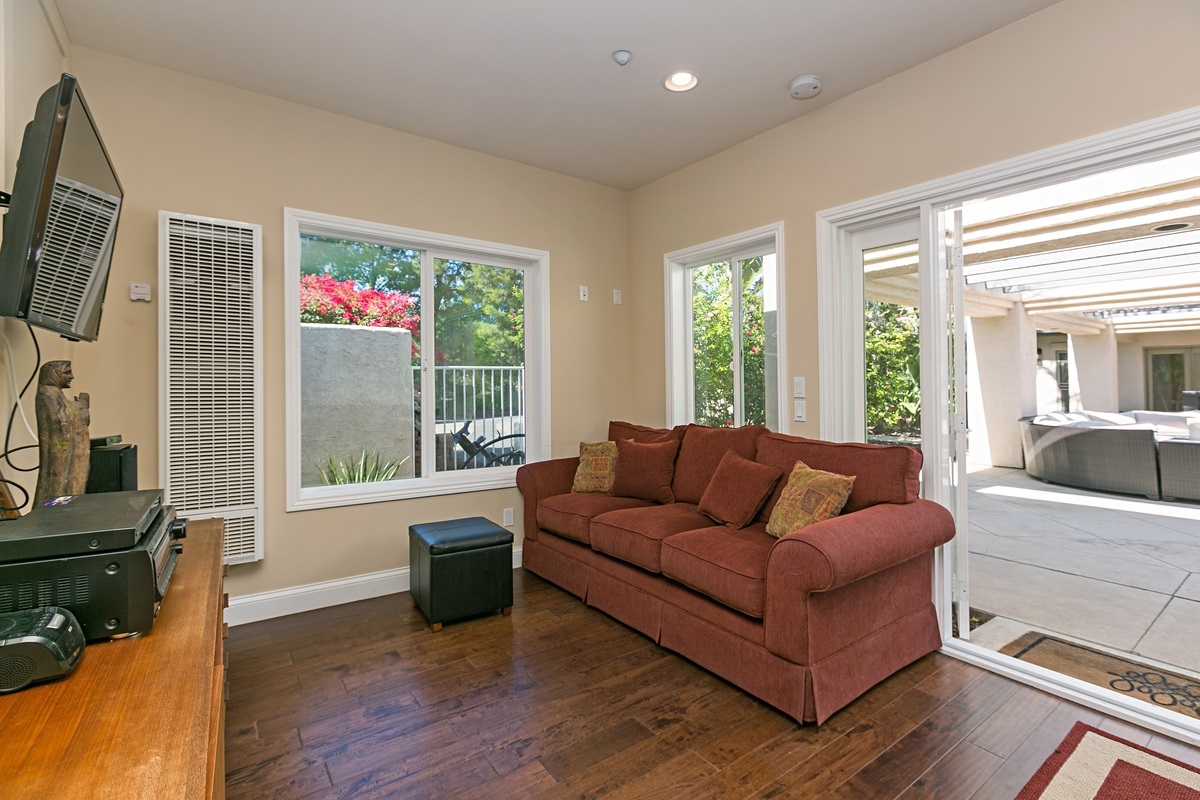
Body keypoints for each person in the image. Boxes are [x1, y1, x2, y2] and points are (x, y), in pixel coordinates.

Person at [34, 360, 90, 506]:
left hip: (66, 451)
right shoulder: (47, 393)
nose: (72, 377)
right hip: (59, 453)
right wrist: (82, 407)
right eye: (67, 373)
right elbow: (59, 419)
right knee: (56, 485)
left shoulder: (56, 394)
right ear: (54, 375)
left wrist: (80, 407)